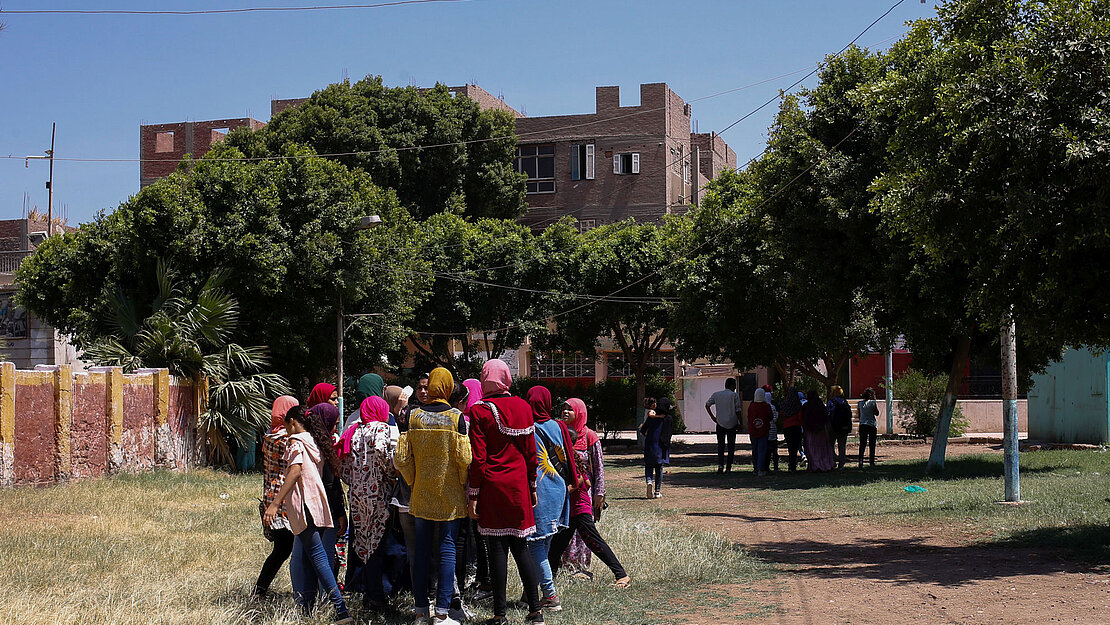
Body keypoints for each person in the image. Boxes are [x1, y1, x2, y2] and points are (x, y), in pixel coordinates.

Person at [467, 359, 544, 625]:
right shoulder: (524, 406)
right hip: (519, 485)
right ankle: (536, 610)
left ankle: (499, 615)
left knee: (496, 549)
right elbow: (531, 454)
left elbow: (478, 458)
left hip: (492, 485)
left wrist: (473, 494)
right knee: (521, 548)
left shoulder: (479, 410)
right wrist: (532, 485)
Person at [395, 367, 472, 625]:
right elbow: (464, 458)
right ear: (448, 387)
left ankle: (419, 612)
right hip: (450, 498)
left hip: (420, 495)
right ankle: (441, 614)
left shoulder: (413, 416)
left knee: (421, 551)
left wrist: (414, 481)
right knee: (447, 549)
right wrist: (460, 482)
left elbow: (402, 457)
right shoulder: (456, 418)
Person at [263, 406, 352, 624]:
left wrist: (275, 504)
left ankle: (341, 610)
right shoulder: (314, 441)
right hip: (318, 505)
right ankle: (309, 608)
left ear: (292, 422)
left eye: (286, 425)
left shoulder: (296, 443)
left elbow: (294, 472)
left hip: (303, 507)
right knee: (316, 558)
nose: (285, 429)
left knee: (318, 558)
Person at [548, 398, 631, 588]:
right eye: (564, 409)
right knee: (557, 546)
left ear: (580, 412)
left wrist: (599, 494)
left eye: (571, 409)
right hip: (568, 503)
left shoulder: (589, 436)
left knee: (591, 540)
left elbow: (596, 469)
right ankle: (549, 580)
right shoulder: (559, 434)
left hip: (580, 501)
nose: (566, 412)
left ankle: (620, 575)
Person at [337, 395, 396, 613]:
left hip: (357, 497)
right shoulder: (381, 429)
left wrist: (355, 481)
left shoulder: (354, 431)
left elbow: (342, 466)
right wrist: (390, 475)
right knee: (377, 546)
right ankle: (376, 598)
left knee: (363, 545)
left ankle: (368, 594)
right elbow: (383, 454)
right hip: (378, 495)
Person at [525, 386, 577, 612]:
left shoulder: (529, 428)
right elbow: (570, 458)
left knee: (536, 544)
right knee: (544, 543)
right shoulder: (559, 426)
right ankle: (530, 593)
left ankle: (550, 595)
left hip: (541, 493)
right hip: (560, 491)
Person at [254, 395, 299, 596]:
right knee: (289, 549)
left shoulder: (269, 436)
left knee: (282, 549)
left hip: (271, 496)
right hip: (284, 498)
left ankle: (260, 589)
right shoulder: (287, 440)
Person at [305, 402, 347, 580]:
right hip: (327, 509)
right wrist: (340, 513)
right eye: (334, 423)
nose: (335, 427)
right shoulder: (323, 445)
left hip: (310, 507)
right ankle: (328, 595)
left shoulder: (308, 442)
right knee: (326, 553)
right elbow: (331, 484)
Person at [705, 378, 742, 473]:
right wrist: (740, 422)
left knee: (720, 446)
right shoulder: (734, 395)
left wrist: (713, 417)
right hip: (732, 423)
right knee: (731, 446)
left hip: (720, 423)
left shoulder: (716, 394)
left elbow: (707, 405)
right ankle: (728, 467)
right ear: (732, 386)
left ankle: (720, 466)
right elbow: (738, 410)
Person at [638, 397, 666, 498]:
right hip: (659, 444)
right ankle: (657, 491)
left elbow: (643, 430)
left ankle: (649, 481)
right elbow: (651, 415)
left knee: (648, 465)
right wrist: (660, 417)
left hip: (649, 443)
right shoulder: (657, 416)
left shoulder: (650, 417)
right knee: (659, 468)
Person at [802, 391, 836, 472]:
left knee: (812, 449)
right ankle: (825, 465)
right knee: (823, 449)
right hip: (821, 431)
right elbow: (825, 417)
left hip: (811, 430)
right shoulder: (820, 405)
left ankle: (815, 465)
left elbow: (805, 418)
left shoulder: (806, 406)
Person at [779, 385, 805, 473]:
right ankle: (793, 466)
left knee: (790, 448)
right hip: (796, 427)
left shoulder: (784, 404)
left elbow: (781, 415)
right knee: (795, 447)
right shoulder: (798, 405)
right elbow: (800, 417)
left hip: (787, 427)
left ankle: (791, 466)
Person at [827, 385, 853, 469]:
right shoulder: (844, 402)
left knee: (831, 445)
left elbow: (828, 414)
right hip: (844, 427)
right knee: (842, 446)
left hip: (833, 426)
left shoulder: (831, 402)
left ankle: (832, 462)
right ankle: (841, 463)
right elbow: (850, 414)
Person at [748, 389, 773, 476]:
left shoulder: (751, 406)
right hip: (763, 431)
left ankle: (755, 468)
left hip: (753, 431)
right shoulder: (766, 406)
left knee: (754, 450)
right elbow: (770, 417)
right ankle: (760, 468)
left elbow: (749, 417)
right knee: (762, 450)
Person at [857, 387, 879, 467]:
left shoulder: (859, 403)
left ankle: (860, 461)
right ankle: (871, 462)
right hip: (871, 425)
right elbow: (876, 413)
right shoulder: (873, 403)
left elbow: (859, 415)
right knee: (872, 444)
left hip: (863, 425)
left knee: (862, 444)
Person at [762, 385, 781, 472]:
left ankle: (765, 466)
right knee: (774, 451)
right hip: (773, 431)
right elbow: (776, 418)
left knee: (765, 451)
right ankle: (776, 467)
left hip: (764, 432)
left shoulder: (761, 406)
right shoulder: (774, 406)